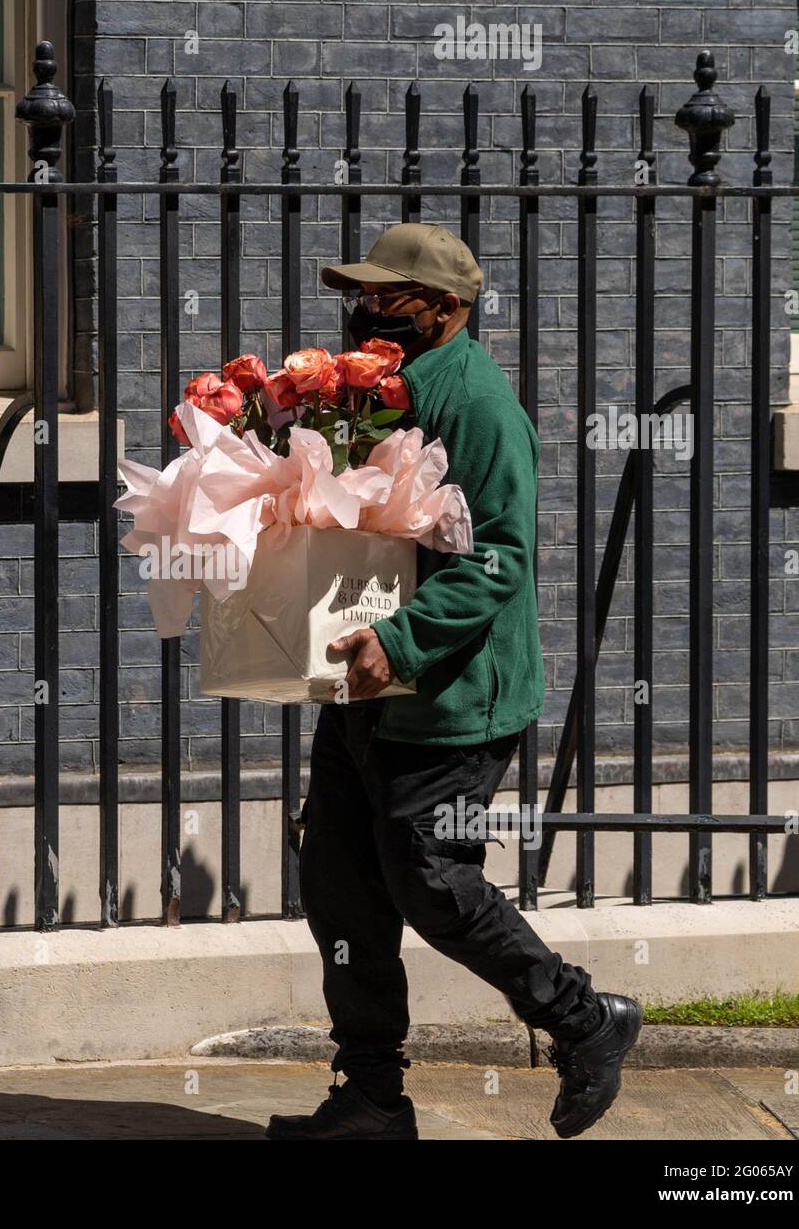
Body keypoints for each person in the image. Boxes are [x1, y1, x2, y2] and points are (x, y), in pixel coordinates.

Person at [265, 223, 642, 1141]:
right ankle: (371, 1097)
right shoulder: (371, 390)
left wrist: (405, 636)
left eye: (386, 296)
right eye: (360, 294)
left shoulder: (476, 401)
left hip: (449, 694)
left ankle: (584, 1020)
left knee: (431, 878)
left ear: (445, 308)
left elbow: (503, 556)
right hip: (362, 683)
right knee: (341, 884)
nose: (364, 311)